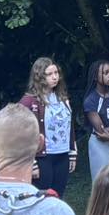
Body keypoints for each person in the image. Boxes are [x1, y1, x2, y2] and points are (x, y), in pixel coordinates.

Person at [20, 57, 77, 197]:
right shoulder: (29, 101)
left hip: (62, 154)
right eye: (49, 74)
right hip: (42, 156)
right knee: (42, 196)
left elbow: (69, 126)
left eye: (56, 73)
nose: (54, 77)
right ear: (39, 76)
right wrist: (32, 162)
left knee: (58, 195)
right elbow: (22, 133)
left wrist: (72, 152)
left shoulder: (62, 98)